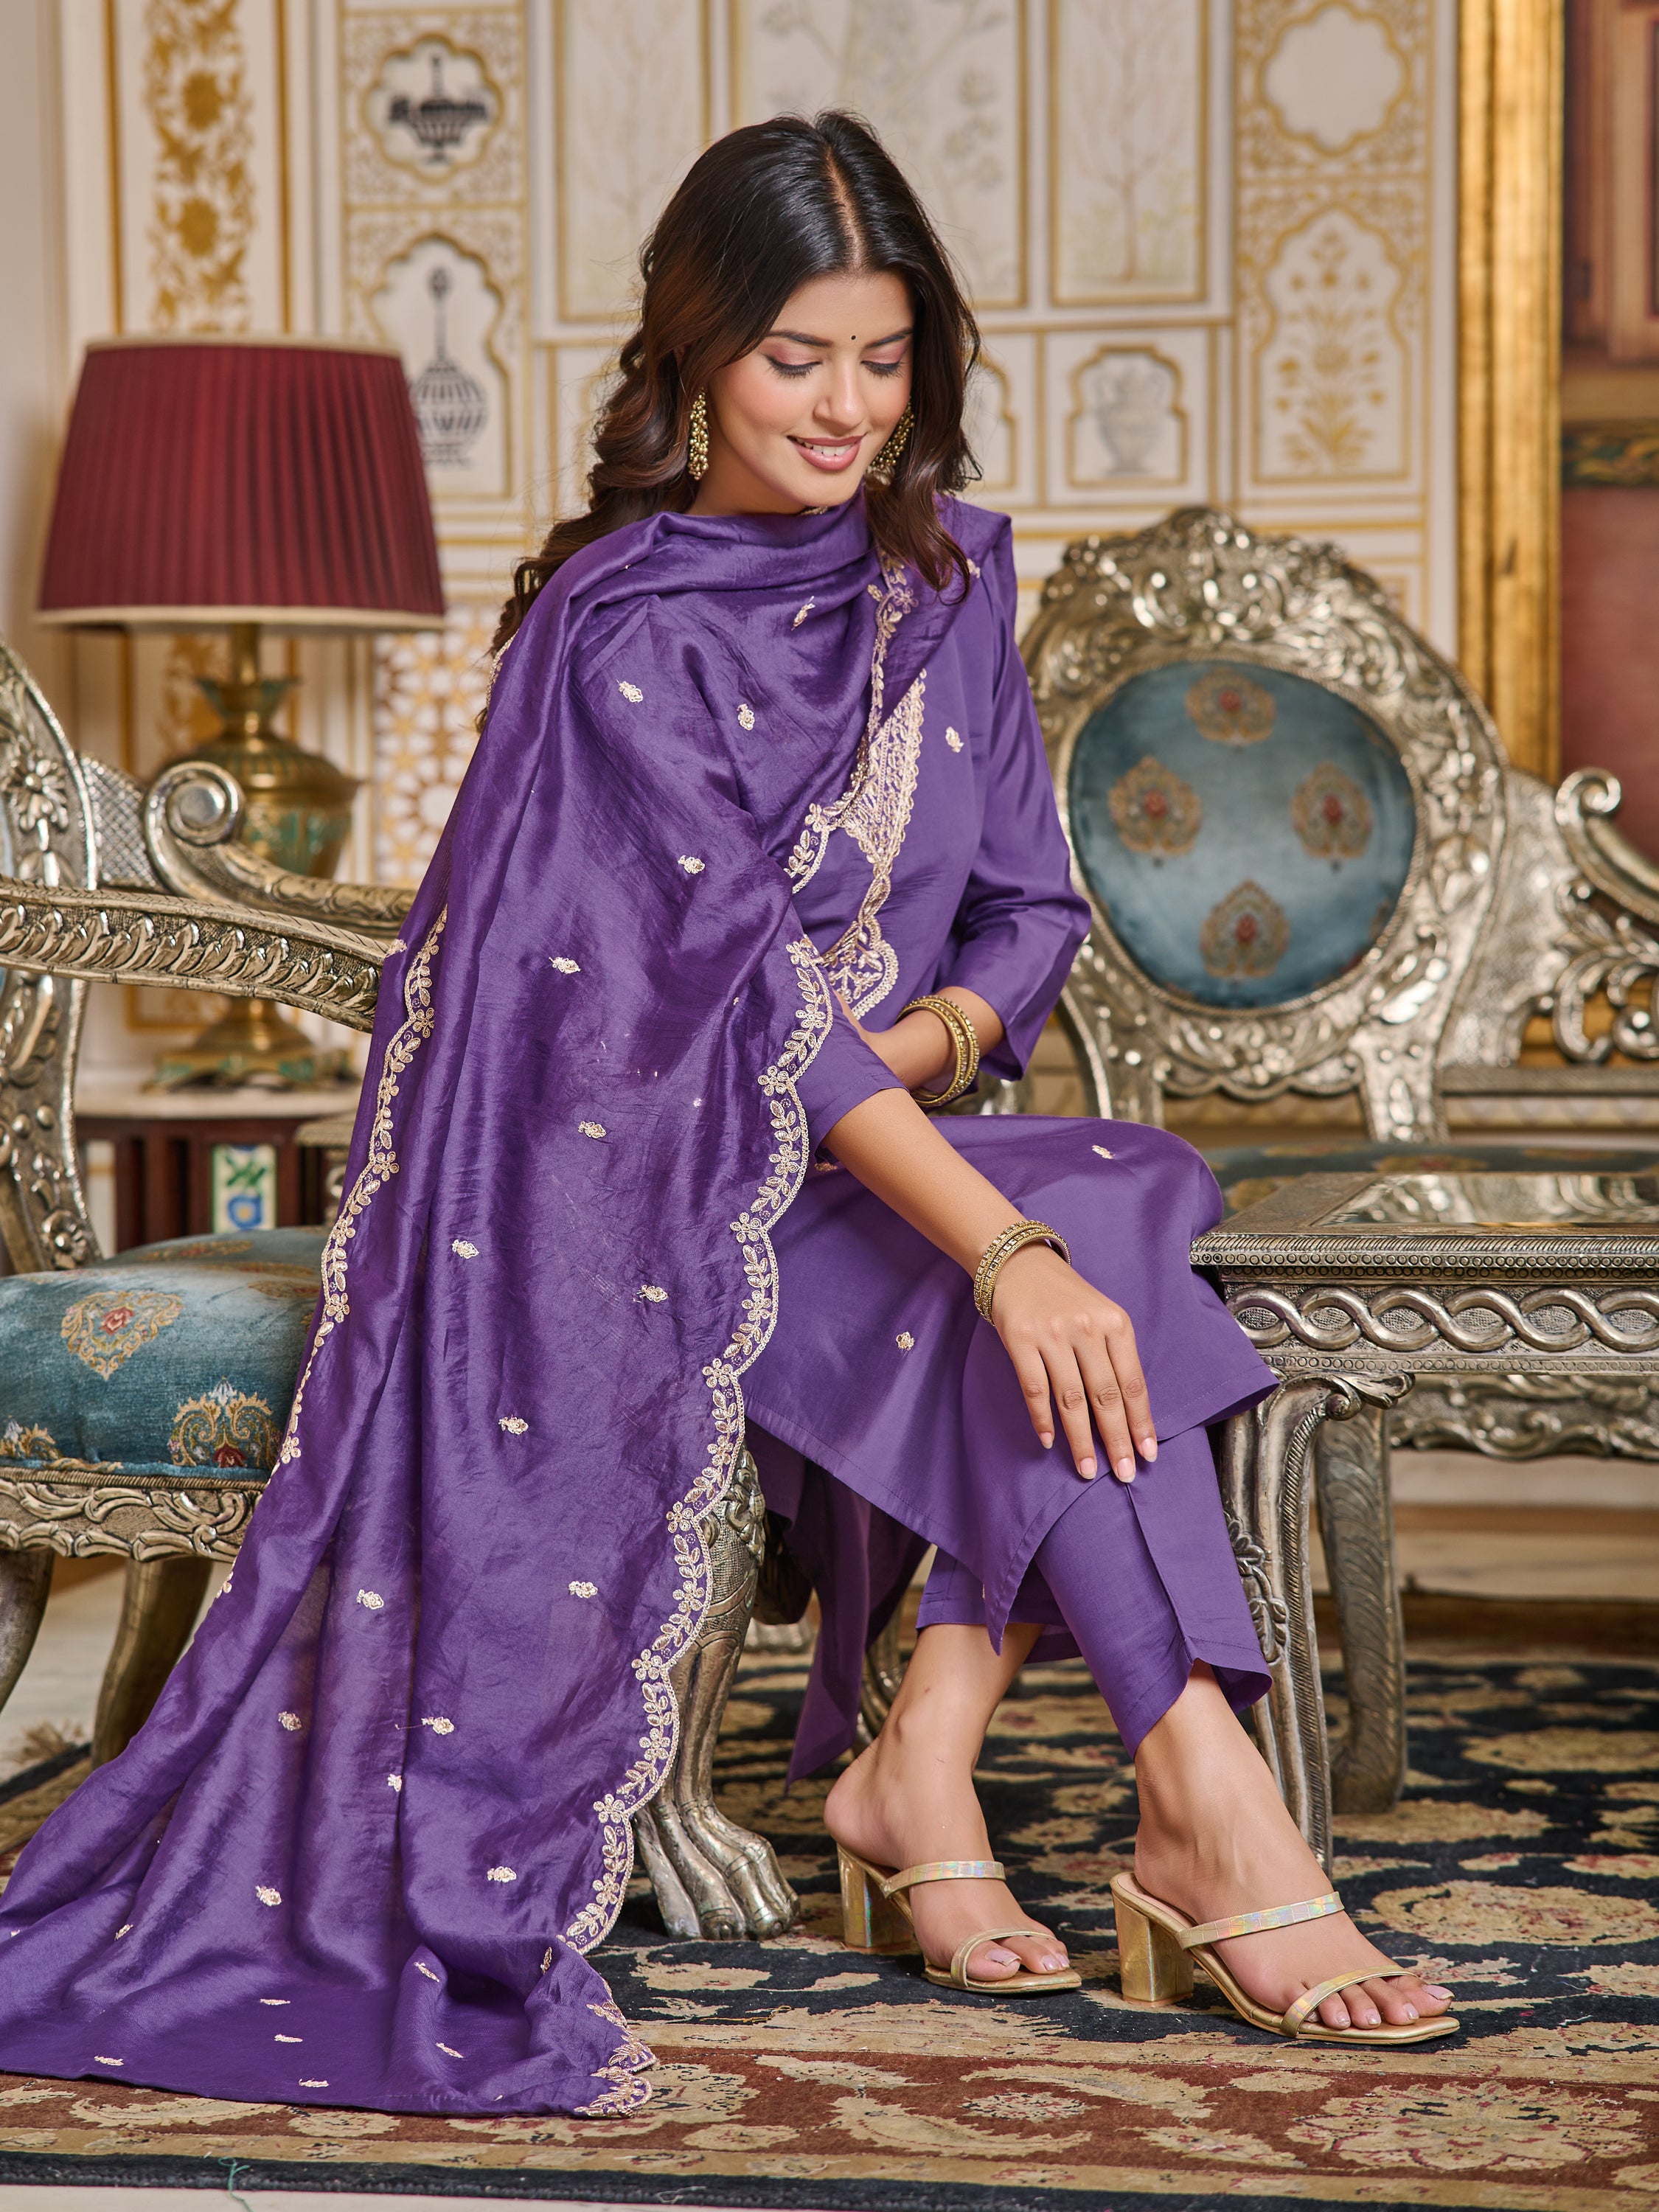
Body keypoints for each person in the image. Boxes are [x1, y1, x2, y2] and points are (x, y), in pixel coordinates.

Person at [0, 112, 1453, 2116]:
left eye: (884, 358)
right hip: (645, 1182)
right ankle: (1185, 1793)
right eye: (798, 360)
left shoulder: (945, 582)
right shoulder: (618, 627)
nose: (849, 407)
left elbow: (1031, 903)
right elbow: (739, 999)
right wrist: (1001, 1243)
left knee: (1111, 1193)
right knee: (1077, 1233)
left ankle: (936, 1758)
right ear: (694, 354)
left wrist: (938, 1054)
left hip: (885, 1144)